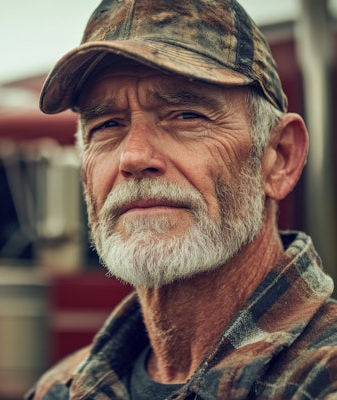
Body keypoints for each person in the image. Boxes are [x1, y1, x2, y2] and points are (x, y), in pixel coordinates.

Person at [26, 0, 337, 399]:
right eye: (107, 125)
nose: (134, 157)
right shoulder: (59, 390)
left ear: (279, 158)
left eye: (185, 115)